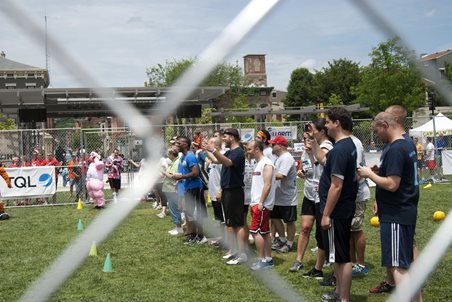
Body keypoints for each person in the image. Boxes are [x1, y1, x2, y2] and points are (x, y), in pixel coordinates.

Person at [358, 112, 422, 302]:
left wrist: (369, 174)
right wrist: (381, 173)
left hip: (396, 213)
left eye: (375, 129)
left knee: (398, 268)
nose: (375, 133)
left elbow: (393, 184)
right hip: (405, 210)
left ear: (385, 125)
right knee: (405, 265)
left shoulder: (395, 148)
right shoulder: (406, 143)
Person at [319, 107, 358, 302]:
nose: (325, 126)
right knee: (337, 255)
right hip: (342, 209)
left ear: (337, 123)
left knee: (341, 258)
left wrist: (326, 214)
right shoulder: (346, 146)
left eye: (327, 122)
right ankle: (338, 293)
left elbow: (336, 185)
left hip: (337, 211)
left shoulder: (341, 150)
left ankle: (343, 298)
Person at [289, 119, 333, 277]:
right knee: (305, 227)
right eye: (306, 136)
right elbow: (306, 169)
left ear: (321, 132)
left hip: (321, 194)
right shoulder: (306, 151)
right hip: (309, 193)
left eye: (311, 132)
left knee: (322, 232)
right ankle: (299, 260)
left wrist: (312, 148)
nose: (308, 137)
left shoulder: (326, 146)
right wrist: (301, 172)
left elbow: (321, 162)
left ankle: (324, 264)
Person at [204, 128, 247, 265]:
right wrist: (208, 149)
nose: (223, 139)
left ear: (233, 137)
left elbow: (228, 162)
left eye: (225, 136)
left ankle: (242, 254)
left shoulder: (239, 152)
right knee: (230, 223)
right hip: (228, 190)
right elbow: (218, 161)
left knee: (238, 224)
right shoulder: (229, 152)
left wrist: (214, 150)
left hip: (235, 191)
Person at [246, 140, 276, 270]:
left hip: (261, 204)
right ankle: (268, 259)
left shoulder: (267, 164)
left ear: (257, 149)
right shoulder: (259, 163)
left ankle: (262, 260)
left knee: (255, 232)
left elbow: (268, 184)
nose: (247, 151)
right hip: (257, 203)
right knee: (264, 232)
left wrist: (261, 202)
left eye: (249, 149)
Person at [173, 136, 207, 244]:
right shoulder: (183, 157)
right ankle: (192, 235)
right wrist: (180, 178)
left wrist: (181, 177)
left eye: (179, 143)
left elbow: (195, 173)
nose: (176, 145)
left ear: (186, 144)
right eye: (176, 143)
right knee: (190, 213)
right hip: (188, 188)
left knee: (197, 213)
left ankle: (201, 236)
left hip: (195, 188)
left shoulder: (190, 156)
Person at [268, 135, 298, 254]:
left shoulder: (287, 158)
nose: (271, 147)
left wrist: (266, 174)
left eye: (273, 145)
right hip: (277, 196)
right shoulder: (279, 157)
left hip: (287, 197)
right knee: (275, 218)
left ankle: (289, 243)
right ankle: (282, 239)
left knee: (289, 221)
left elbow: (281, 175)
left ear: (280, 146)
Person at [161, 148, 183, 236]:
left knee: (174, 209)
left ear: (172, 154)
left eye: (168, 154)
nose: (167, 156)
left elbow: (173, 176)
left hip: (172, 189)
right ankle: (177, 226)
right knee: (173, 208)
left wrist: (163, 172)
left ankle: (179, 227)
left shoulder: (177, 162)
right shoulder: (173, 162)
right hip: (169, 189)